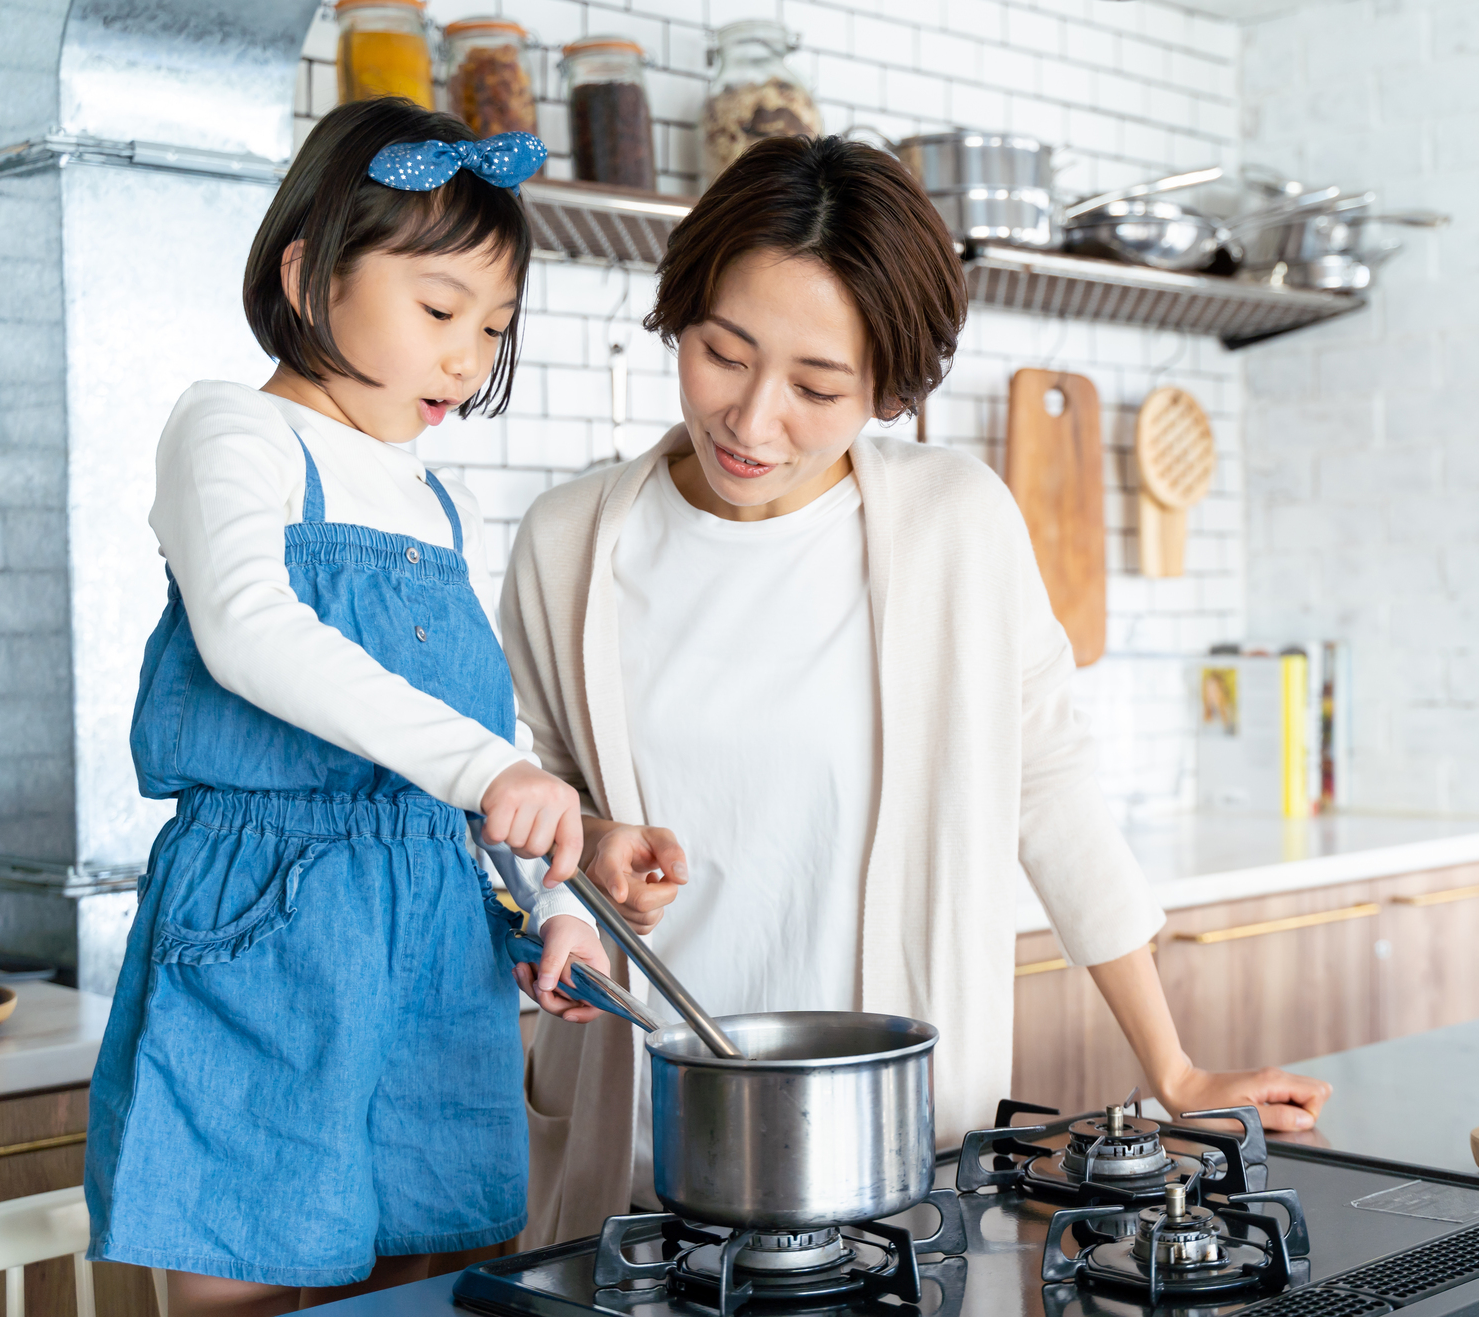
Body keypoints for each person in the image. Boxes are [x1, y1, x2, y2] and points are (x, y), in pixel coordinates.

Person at [501, 135, 1333, 1245]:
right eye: (721, 351)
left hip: (890, 1160)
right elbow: (522, 797)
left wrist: (1172, 1066)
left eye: (815, 385)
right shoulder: (567, 541)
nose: (752, 421)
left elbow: (1047, 780)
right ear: (679, 313)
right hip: (644, 1161)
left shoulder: (955, 524)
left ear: (887, 389)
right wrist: (576, 861)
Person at [85, 99, 608, 1316]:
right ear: (307, 275)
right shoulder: (235, 428)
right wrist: (490, 773)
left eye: (495, 326)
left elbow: (484, 741)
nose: (469, 359)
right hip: (275, 923)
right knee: (250, 1279)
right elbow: (251, 632)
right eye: (438, 310)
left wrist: (555, 900)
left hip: (436, 932)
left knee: (432, 1277)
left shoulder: (429, 501)